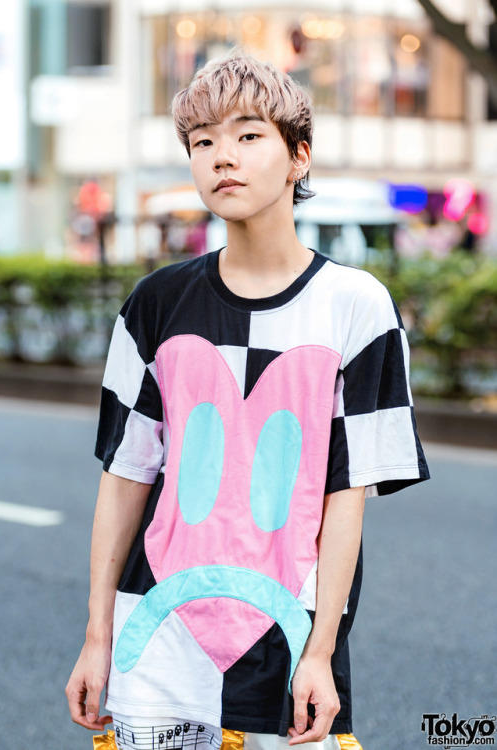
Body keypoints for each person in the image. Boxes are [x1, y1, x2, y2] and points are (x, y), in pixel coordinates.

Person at [66, 49, 429, 750]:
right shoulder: (156, 304)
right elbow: (125, 477)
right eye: (202, 142)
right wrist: (96, 634)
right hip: (159, 626)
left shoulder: (356, 308)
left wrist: (322, 651)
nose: (221, 156)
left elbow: (344, 497)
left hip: (288, 624)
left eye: (247, 135)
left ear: (299, 156)